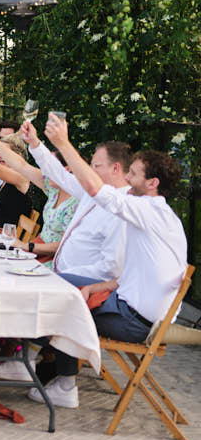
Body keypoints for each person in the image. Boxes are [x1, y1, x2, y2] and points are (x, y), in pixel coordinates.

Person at [27, 114, 187, 408]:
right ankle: (31, 363)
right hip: (129, 307)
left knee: (63, 300)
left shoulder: (148, 211)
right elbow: (130, 276)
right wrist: (94, 287)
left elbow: (96, 191)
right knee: (57, 286)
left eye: (133, 174)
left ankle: (61, 383)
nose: (127, 179)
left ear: (152, 183)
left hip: (135, 322)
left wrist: (63, 143)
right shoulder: (156, 215)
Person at [0, 126, 130, 382]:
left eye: (96, 166)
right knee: (27, 284)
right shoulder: (91, 193)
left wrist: (62, 274)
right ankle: (26, 359)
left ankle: (45, 370)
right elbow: (52, 172)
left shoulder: (122, 209)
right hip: (61, 269)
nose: (89, 171)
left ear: (116, 169)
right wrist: (34, 142)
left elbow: (112, 267)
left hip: (84, 282)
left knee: (37, 292)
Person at [0, 126, 77, 252]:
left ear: (67, 169)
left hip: (36, 251)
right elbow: (21, 165)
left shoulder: (75, 199)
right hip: (27, 245)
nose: (0, 156)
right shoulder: (52, 189)